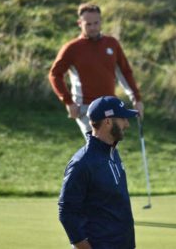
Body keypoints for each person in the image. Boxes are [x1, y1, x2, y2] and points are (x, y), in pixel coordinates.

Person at [48, 3, 144, 137]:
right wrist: (68, 102)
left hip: (110, 106)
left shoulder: (112, 44)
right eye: (88, 24)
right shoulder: (72, 48)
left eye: (96, 23)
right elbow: (55, 75)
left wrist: (136, 99)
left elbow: (125, 72)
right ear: (79, 23)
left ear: (101, 22)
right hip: (86, 107)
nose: (93, 27)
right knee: (100, 145)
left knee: (110, 148)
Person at [58, 96, 137, 249]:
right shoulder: (82, 162)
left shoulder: (113, 153)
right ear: (107, 121)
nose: (127, 124)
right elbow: (66, 212)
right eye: (122, 119)